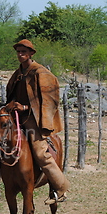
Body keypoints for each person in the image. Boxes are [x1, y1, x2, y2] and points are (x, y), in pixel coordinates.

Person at [6, 39, 69, 204]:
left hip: (33, 119)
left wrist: (25, 107)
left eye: (23, 52)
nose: (20, 55)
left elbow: (49, 99)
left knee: (41, 153)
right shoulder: (18, 73)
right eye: (18, 52)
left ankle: (60, 188)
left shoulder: (41, 73)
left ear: (31, 54)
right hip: (15, 117)